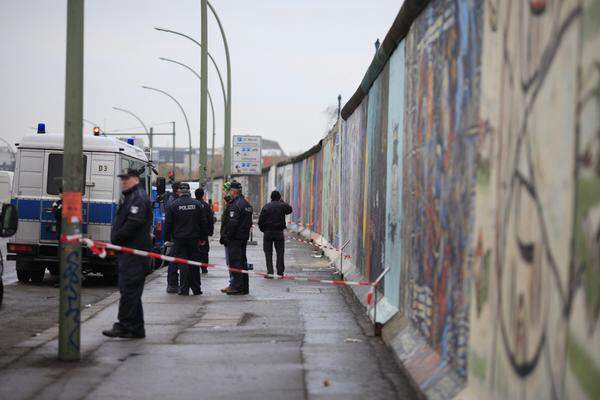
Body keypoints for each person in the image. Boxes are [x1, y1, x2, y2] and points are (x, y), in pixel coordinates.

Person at [103, 167, 151, 339]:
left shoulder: (138, 198)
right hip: (130, 254)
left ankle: (124, 326)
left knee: (128, 290)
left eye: (126, 179)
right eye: (122, 179)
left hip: (134, 255)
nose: (123, 182)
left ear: (136, 179)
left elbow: (134, 223)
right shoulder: (132, 197)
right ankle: (136, 328)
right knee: (132, 292)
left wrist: (116, 239)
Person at [164, 182, 208, 296]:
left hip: (179, 239)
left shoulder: (174, 205)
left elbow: (168, 223)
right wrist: (203, 237)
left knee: (183, 263)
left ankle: (184, 289)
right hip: (194, 239)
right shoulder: (197, 204)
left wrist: (167, 238)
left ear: (180, 191)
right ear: (189, 191)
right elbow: (203, 222)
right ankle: (196, 289)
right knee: (194, 263)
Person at [221, 181, 253, 295]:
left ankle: (237, 287)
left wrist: (227, 237)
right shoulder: (246, 204)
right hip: (243, 238)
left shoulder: (236, 205)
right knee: (243, 262)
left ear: (234, 191)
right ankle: (244, 287)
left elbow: (233, 223)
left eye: (230, 191)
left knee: (235, 263)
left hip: (235, 238)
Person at [258, 190, 292, 278]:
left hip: (268, 232)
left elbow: (260, 221)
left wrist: (264, 230)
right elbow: (290, 210)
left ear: (271, 197)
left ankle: (270, 272)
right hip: (279, 232)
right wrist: (282, 201)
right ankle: (280, 272)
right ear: (279, 197)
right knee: (280, 252)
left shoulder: (266, 207)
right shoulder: (282, 206)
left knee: (268, 253)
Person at [165, 181, 180, 293]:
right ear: (177, 190)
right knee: (173, 260)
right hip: (175, 236)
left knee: (174, 260)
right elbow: (169, 221)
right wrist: (168, 237)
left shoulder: (172, 200)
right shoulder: (173, 201)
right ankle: (172, 285)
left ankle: (173, 284)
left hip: (174, 235)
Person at [194, 187, 214, 274]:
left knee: (194, 250)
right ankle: (204, 268)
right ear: (203, 195)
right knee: (204, 251)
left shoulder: (193, 204)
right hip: (204, 232)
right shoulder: (206, 206)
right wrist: (210, 231)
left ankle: (194, 267)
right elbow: (210, 219)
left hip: (194, 233)